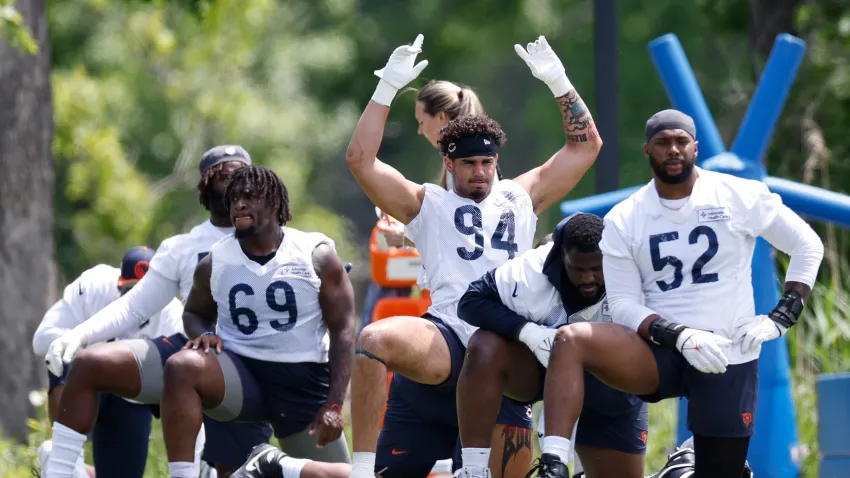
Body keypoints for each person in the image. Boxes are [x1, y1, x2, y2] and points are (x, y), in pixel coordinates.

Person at [345, 33, 602, 478]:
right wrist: (386, 87)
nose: (479, 173)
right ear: (449, 164)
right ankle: (362, 470)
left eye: (486, 163)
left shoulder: (521, 196)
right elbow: (360, 159)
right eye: (468, 165)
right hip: (446, 339)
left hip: (504, 346)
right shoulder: (427, 202)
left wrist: (558, 81)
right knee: (372, 341)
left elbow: (585, 146)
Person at [533, 109, 824, 477]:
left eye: (680, 141)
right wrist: (681, 336)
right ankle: (555, 463)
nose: (672, 149)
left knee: (722, 471)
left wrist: (781, 318)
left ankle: (683, 466)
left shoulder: (739, 195)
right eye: (662, 142)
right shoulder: (626, 217)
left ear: (695, 147)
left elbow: (807, 246)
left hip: (726, 349)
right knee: (571, 339)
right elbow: (623, 305)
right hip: (659, 349)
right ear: (647, 151)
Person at [42, 146, 273, 478]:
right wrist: (79, 334)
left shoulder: (283, 241)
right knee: (90, 362)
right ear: (206, 187)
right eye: (223, 175)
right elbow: (135, 305)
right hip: (194, 348)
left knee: (238, 469)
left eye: (242, 176)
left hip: (252, 362)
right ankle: (62, 471)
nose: (235, 184)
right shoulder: (183, 246)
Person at [158, 165, 356, 478]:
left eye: (249, 197)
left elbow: (343, 330)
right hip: (242, 373)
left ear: (275, 204)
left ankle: (273, 465)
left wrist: (334, 404)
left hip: (302, 383)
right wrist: (205, 333)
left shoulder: (314, 255)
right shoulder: (215, 261)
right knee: (181, 366)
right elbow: (194, 312)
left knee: (340, 476)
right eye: (234, 198)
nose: (239, 204)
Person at [453, 213, 648, 478]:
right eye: (579, 269)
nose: (588, 278)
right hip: (540, 372)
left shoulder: (632, 271)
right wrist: (529, 332)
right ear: (561, 255)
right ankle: (475, 470)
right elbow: (470, 301)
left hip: (609, 385)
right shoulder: (531, 272)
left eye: (596, 268)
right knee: (484, 345)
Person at [33, 246, 184, 478]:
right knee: (63, 356)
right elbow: (42, 340)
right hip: (81, 382)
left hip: (130, 397)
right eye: (131, 290)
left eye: (146, 292)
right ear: (118, 284)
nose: (139, 300)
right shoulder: (94, 286)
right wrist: (96, 355)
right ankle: (66, 462)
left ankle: (79, 473)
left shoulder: (173, 315)